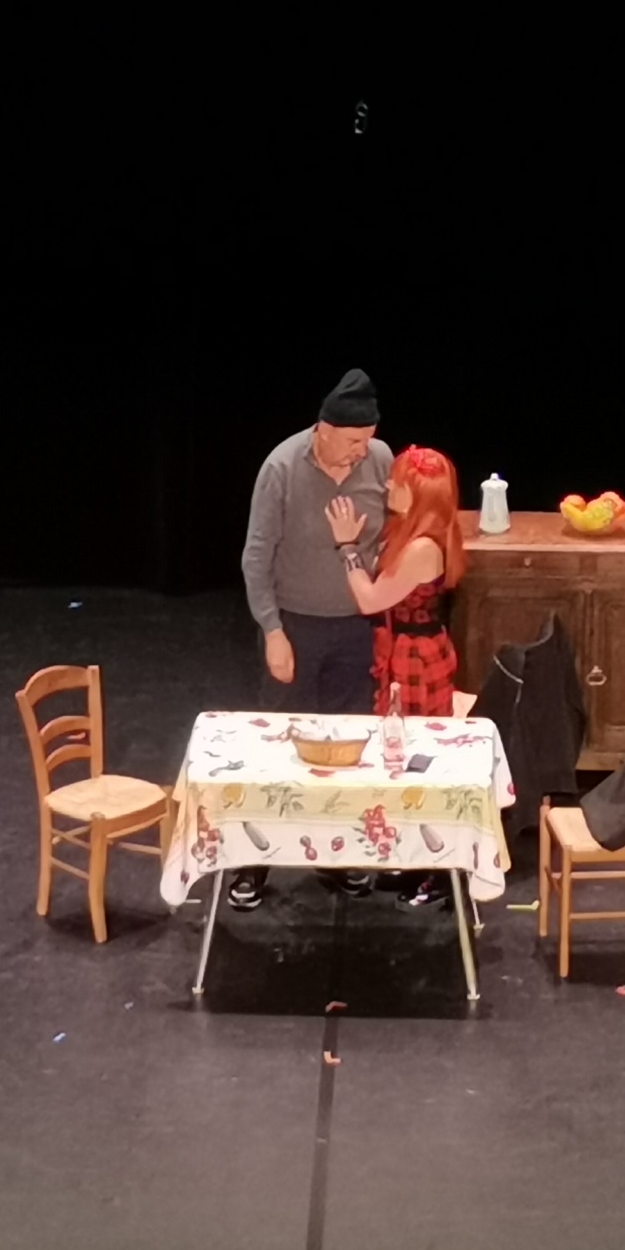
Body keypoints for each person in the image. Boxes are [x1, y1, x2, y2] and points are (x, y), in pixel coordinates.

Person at [234, 368, 392, 909]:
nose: (360, 452)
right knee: (282, 746)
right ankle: (253, 861)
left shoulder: (380, 461)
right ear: (322, 430)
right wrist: (272, 630)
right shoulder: (282, 467)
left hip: (356, 629)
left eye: (367, 440)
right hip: (296, 625)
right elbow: (257, 556)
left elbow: (396, 532)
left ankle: (339, 854)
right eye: (351, 441)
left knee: (348, 748)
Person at [327, 444, 469, 907]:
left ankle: (438, 869)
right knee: (403, 753)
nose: (389, 484)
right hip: (404, 649)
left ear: (419, 492)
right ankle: (416, 858)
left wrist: (346, 548)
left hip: (416, 658)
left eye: (399, 480)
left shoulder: (424, 547)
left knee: (416, 757)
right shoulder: (409, 532)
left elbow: (371, 599)